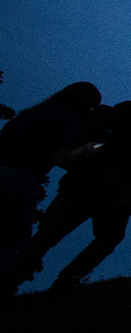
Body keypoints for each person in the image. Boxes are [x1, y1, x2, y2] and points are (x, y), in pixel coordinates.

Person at [0, 82, 103, 292]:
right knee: (10, 240)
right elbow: (61, 157)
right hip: (21, 179)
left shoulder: (29, 115)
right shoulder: (69, 117)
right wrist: (86, 149)